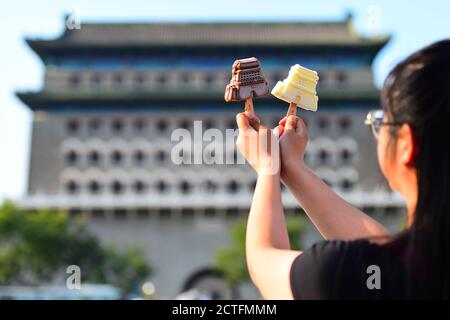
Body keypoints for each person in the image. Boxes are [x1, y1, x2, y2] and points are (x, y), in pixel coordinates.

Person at [235, 39, 450, 299]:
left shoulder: (347, 273)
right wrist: (294, 170)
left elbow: (265, 263)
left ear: (406, 144)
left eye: (382, 122)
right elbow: (386, 250)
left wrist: (267, 168)